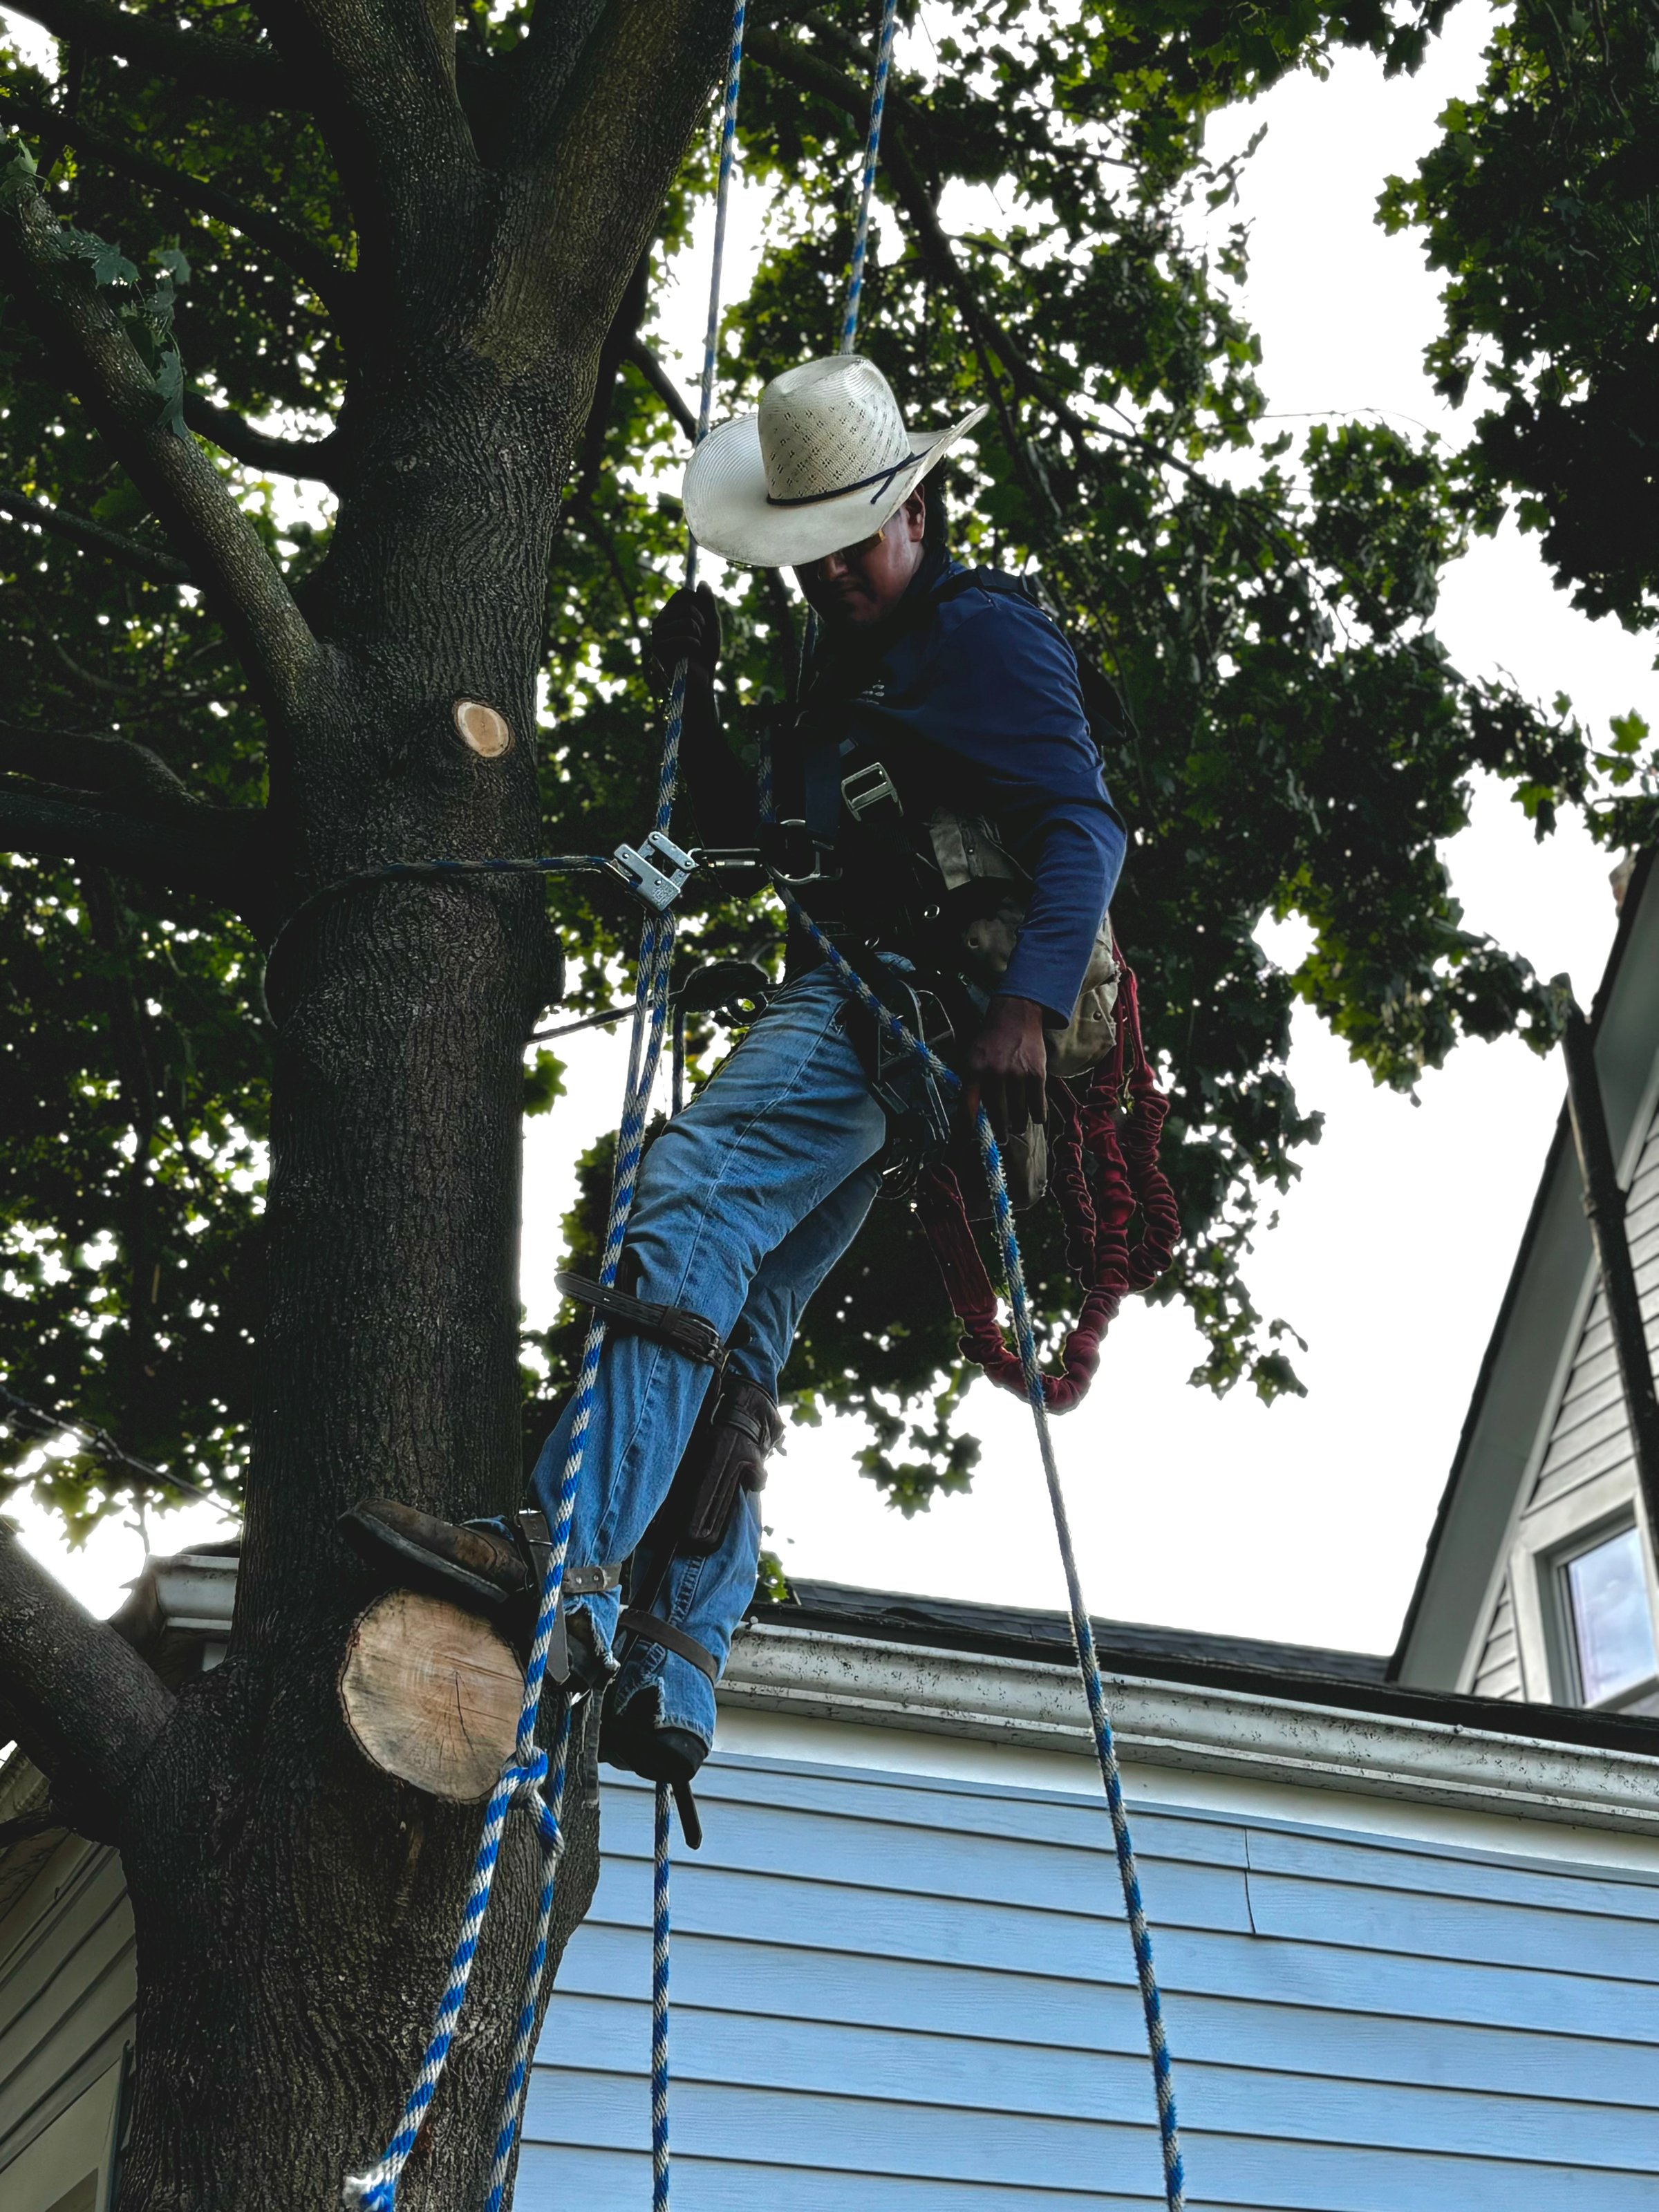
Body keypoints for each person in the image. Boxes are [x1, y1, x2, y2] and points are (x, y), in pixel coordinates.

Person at [341, 354, 1127, 1799]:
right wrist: (694, 698)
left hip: (902, 1001)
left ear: (917, 509)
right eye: (807, 554)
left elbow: (1086, 827)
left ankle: (569, 1558)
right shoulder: (844, 667)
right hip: (883, 1017)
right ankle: (675, 1660)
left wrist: (1025, 1008)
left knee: (692, 1189)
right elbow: (755, 837)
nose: (827, 575)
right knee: (747, 1308)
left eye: (852, 545)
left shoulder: (982, 638)